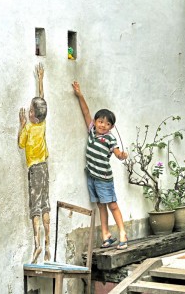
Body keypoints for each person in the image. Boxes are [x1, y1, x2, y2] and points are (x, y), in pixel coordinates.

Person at [72, 81, 128, 250]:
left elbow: (116, 151)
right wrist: (80, 95)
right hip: (92, 176)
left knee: (112, 205)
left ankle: (123, 233)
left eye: (107, 124)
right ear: (95, 122)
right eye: (100, 122)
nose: (103, 125)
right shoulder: (91, 131)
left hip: (104, 179)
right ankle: (106, 235)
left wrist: (121, 155)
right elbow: (85, 111)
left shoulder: (109, 138)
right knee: (100, 205)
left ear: (111, 127)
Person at [18, 63, 51, 263]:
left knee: (35, 208)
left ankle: (37, 243)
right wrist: (40, 80)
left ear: (32, 116)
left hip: (34, 169)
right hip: (45, 169)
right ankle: (48, 245)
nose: (29, 111)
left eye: (30, 110)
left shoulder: (29, 128)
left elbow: (20, 145)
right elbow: (43, 100)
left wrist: (21, 126)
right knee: (45, 205)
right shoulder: (43, 123)